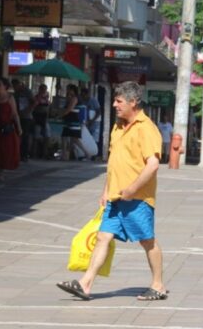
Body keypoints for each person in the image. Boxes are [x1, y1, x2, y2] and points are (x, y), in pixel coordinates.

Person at [57, 81, 167, 301]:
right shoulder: (118, 127)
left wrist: (132, 188)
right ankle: (85, 284)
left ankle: (158, 285)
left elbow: (152, 164)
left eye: (119, 101)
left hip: (137, 198)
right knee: (102, 237)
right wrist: (106, 190)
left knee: (147, 240)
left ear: (133, 102)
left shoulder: (146, 128)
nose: (115, 105)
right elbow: (114, 163)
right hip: (116, 197)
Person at [58, 85, 90, 161]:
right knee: (67, 137)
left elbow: (69, 109)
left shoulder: (75, 98)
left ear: (73, 90)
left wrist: (60, 115)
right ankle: (64, 155)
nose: (67, 91)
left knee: (73, 139)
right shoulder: (71, 98)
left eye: (69, 89)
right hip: (69, 120)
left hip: (73, 120)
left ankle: (86, 153)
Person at [12, 79, 35, 162]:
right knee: (18, 134)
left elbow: (33, 102)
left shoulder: (27, 92)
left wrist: (28, 110)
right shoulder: (16, 93)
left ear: (19, 84)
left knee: (25, 135)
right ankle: (17, 153)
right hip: (18, 115)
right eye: (14, 87)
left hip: (26, 117)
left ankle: (24, 155)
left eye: (16, 86)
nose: (15, 88)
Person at [32, 84, 51, 159]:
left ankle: (45, 153)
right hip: (37, 118)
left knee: (47, 136)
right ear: (39, 90)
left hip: (44, 118)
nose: (44, 91)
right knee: (36, 136)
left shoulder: (46, 99)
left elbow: (48, 107)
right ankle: (34, 153)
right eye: (42, 89)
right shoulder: (37, 97)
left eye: (45, 89)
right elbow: (34, 106)